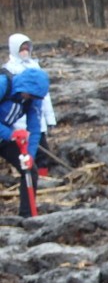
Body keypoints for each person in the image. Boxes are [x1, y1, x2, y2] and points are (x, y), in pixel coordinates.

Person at [0, 68, 50, 217]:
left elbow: (34, 128)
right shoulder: (3, 85)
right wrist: (11, 134)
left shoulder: (32, 99)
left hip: (5, 138)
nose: (30, 97)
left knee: (30, 170)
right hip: (7, 134)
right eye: (30, 94)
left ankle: (27, 216)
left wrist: (29, 156)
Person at [5, 34, 57, 177]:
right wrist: (11, 131)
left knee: (40, 150)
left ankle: (40, 177)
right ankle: (24, 174)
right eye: (22, 47)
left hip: (36, 119)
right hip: (16, 123)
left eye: (27, 47)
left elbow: (44, 98)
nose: (25, 50)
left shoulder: (35, 67)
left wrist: (50, 118)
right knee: (19, 152)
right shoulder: (9, 71)